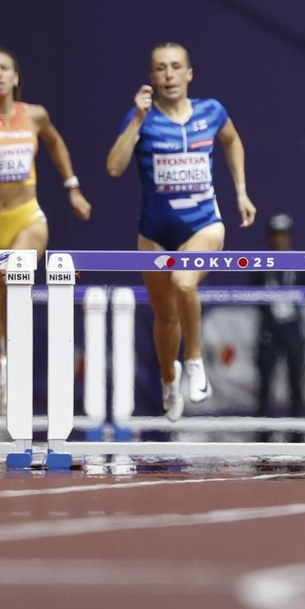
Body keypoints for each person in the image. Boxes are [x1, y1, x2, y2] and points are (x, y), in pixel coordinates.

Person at [106, 44, 255, 422]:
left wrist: (240, 191)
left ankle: (193, 361)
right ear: (152, 78)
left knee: (184, 283)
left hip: (204, 223)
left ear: (189, 73)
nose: (169, 75)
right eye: (161, 69)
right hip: (154, 232)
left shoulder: (212, 111)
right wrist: (137, 122)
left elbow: (232, 140)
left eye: (176, 68)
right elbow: (113, 167)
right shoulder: (142, 118)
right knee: (166, 318)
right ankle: (168, 380)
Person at [0, 49, 91, 415]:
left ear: (15, 77)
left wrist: (72, 188)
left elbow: (56, 144)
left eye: (4, 68)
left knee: (12, 273)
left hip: (27, 219)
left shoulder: (35, 115)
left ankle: (21, 376)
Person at [251, 214, 305, 427]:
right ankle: (263, 435)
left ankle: (298, 434)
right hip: (269, 328)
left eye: (283, 235)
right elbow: (253, 292)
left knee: (297, 383)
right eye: (275, 235)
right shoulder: (260, 263)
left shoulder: (300, 261)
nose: (280, 240)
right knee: (265, 384)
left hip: (293, 327)